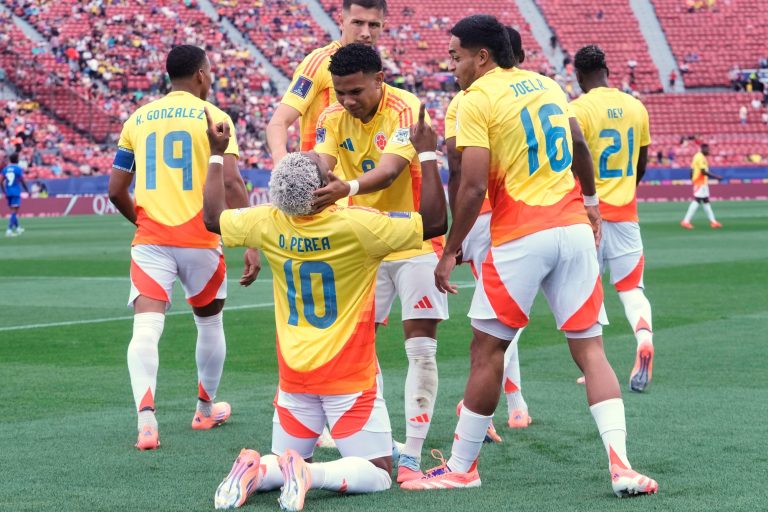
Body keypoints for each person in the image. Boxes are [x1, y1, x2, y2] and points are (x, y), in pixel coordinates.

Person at [402, 15, 658, 497]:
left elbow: (473, 182)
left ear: (482, 56)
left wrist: (449, 250)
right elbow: (579, 144)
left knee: (488, 349)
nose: (451, 65)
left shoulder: (475, 99)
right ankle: (621, 465)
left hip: (521, 233)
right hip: (574, 229)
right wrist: (590, 205)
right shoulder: (545, 84)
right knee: (590, 351)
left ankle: (463, 467)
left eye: (456, 55)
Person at [203, 106, 446, 511]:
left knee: (284, 460)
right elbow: (435, 222)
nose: (322, 155)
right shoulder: (358, 226)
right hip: (347, 377)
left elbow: (213, 217)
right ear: (323, 187)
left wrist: (216, 153)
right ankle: (312, 475)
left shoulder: (269, 221)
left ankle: (257, 470)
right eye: (319, 162)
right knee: (381, 471)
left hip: (294, 376)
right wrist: (427, 154)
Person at [108, 45, 259, 450]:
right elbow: (230, 183)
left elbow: (116, 190)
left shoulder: (136, 119)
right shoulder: (216, 117)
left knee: (146, 328)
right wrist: (249, 239)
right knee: (209, 323)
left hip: (152, 241)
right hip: (201, 239)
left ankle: (145, 421)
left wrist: (142, 221)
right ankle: (205, 409)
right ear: (201, 75)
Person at [311, 43, 448, 483]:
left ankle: (411, 453)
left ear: (379, 79)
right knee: (358, 347)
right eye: (340, 92)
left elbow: (390, 171)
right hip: (361, 244)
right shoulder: (331, 115)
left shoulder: (407, 108)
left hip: (414, 240)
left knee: (421, 348)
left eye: (355, 91)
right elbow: (320, 162)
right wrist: (310, 175)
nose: (347, 100)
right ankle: (379, 440)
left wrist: (344, 187)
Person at [447, 26, 531, 435]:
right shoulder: (528, 93)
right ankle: (512, 403)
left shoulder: (464, 102)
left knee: (494, 323)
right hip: (520, 215)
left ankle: (496, 407)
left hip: (483, 218)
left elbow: (459, 170)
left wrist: (452, 239)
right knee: (504, 320)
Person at [570, 45, 655, 392]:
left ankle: (596, 366)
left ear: (578, 76)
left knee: (590, 290)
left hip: (588, 213)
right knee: (632, 288)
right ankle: (644, 339)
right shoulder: (637, 106)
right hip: (626, 211)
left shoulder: (577, 108)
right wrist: (626, 190)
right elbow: (642, 162)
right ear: (607, 69)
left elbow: (574, 156)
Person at [266, 0, 388, 162]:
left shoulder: (374, 68)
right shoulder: (319, 62)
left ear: (383, 27)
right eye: (358, 23)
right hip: (323, 179)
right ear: (341, 21)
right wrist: (281, 163)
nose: (365, 32)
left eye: (373, 25)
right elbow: (278, 122)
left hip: (359, 182)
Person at [680, 143, 723, 229]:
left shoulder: (697, 156)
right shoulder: (701, 158)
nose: (708, 151)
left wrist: (692, 178)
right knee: (697, 200)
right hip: (700, 182)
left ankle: (713, 222)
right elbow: (703, 171)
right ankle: (686, 221)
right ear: (703, 149)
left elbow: (691, 169)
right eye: (707, 149)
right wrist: (716, 177)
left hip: (701, 182)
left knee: (706, 201)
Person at [1, 153, 29, 237]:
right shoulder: (18, 169)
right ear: (17, 159)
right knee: (14, 211)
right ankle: (9, 230)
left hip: (8, 192)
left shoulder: (5, 169)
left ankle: (18, 227)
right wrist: (27, 190)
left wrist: (4, 191)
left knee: (13, 210)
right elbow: (22, 180)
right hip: (15, 192)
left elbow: (0, 181)